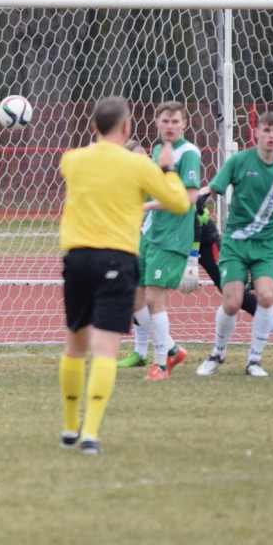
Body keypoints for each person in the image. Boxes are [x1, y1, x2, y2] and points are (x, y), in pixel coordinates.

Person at [58, 96, 190, 455]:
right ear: (128, 128)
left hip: (78, 259)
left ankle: (69, 426)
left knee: (75, 345)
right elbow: (179, 203)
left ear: (92, 128)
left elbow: (85, 160)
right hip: (117, 259)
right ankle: (90, 433)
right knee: (105, 347)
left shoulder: (72, 160)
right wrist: (167, 169)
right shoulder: (139, 164)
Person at [195, 112, 273, 378]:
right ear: (256, 133)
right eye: (266, 130)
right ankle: (217, 354)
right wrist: (199, 197)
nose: (271, 136)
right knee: (232, 303)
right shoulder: (239, 161)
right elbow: (214, 188)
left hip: (265, 243)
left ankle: (254, 360)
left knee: (266, 296)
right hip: (235, 242)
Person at [121, 102, 202, 382]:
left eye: (175, 121)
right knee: (135, 299)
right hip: (151, 234)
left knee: (155, 298)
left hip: (173, 237)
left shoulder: (189, 153)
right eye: (165, 121)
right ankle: (171, 348)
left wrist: (145, 207)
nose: (170, 126)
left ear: (184, 124)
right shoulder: (157, 151)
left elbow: (190, 198)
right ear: (156, 123)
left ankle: (160, 365)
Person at [186, 201, 273, 367]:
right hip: (179, 244)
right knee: (150, 286)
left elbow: (197, 216)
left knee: (237, 296)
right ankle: (154, 349)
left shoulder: (176, 182)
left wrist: (191, 258)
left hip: (206, 243)